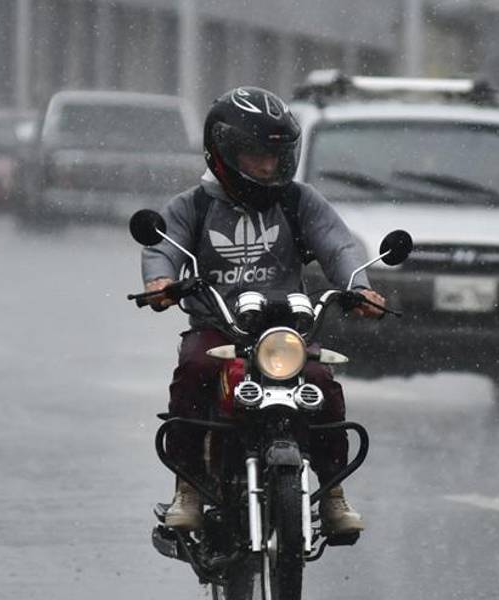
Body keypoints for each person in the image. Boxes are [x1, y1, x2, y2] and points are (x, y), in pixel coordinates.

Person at [140, 87, 386, 534]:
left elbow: (338, 246)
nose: (268, 167)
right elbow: (163, 247)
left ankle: (333, 493)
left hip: (285, 335)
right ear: (223, 152)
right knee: (193, 370)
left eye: (275, 155)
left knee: (321, 385)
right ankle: (188, 488)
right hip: (218, 332)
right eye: (256, 155)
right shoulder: (192, 207)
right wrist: (160, 282)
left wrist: (359, 287)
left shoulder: (299, 201)